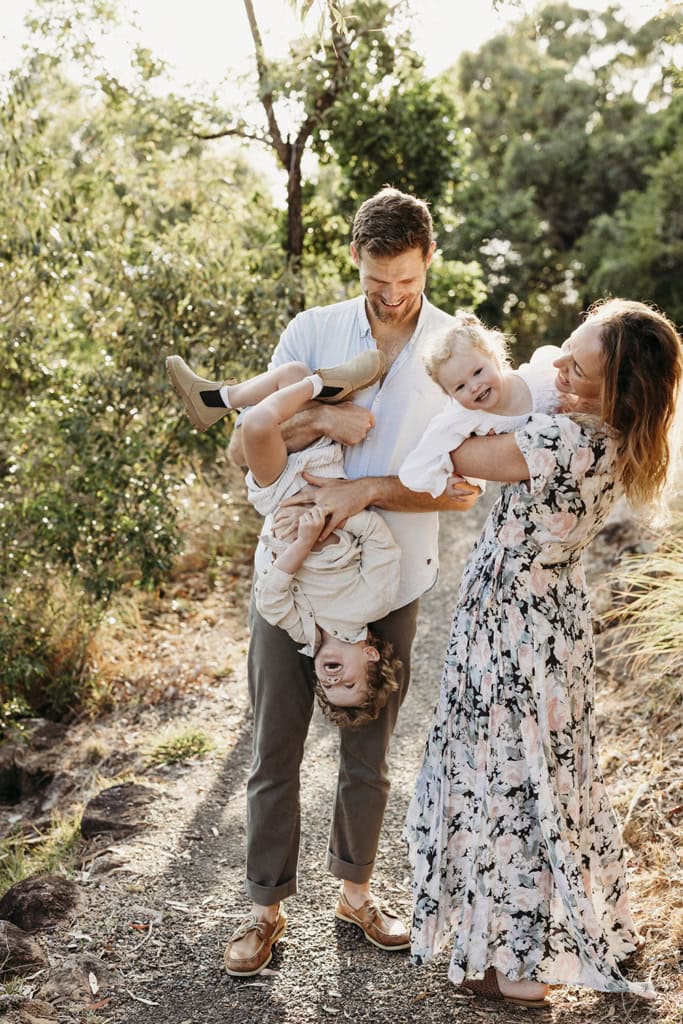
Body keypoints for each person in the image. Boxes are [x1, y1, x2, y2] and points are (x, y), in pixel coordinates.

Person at [221, 187, 480, 978]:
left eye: (403, 279)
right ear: (356, 262)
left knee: (366, 746)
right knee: (275, 745)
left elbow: (464, 486)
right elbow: (250, 444)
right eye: (375, 280)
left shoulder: (456, 346)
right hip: (290, 579)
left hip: (390, 583)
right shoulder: (310, 332)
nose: (391, 295)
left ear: (428, 258)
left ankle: (356, 894)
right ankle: (265, 908)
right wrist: (327, 424)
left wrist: (364, 491)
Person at [405, 298, 682, 1007]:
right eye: (566, 346)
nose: (555, 364)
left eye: (576, 365)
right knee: (511, 772)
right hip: (535, 612)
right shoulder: (601, 430)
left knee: (512, 779)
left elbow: (453, 451)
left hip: (517, 624)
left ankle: (518, 960)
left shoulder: (564, 442)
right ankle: (484, 946)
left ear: (613, 390)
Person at [165, 351, 402, 726]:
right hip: (321, 476)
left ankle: (305, 386)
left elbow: (269, 597)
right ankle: (215, 401)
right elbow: (377, 538)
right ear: (370, 657)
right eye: (348, 683)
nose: (333, 679)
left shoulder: (301, 630)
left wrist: (302, 544)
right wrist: (328, 515)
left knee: (258, 424)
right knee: (289, 372)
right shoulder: (373, 602)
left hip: (279, 495)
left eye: (328, 687)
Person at [399, 310, 560, 497]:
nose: (474, 387)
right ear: (448, 394)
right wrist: (441, 483)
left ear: (495, 358)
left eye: (477, 372)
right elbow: (414, 467)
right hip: (528, 501)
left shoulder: (540, 378)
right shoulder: (463, 417)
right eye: (460, 387)